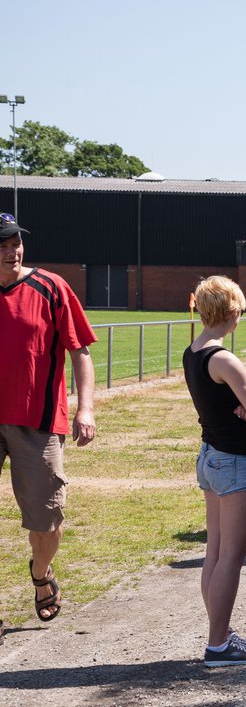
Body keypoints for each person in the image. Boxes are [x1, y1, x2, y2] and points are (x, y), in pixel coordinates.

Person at [0, 213, 96, 632]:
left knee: (47, 518)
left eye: (15, 242)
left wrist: (85, 408)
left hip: (36, 422)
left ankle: (41, 574)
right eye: (3, 244)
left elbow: (81, 352)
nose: (12, 250)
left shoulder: (52, 287)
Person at [183, 276, 246, 667]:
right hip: (234, 459)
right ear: (233, 311)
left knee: (215, 553)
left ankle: (219, 632)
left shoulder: (194, 350)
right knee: (232, 557)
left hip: (210, 454)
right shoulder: (223, 359)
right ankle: (218, 642)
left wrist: (238, 406)